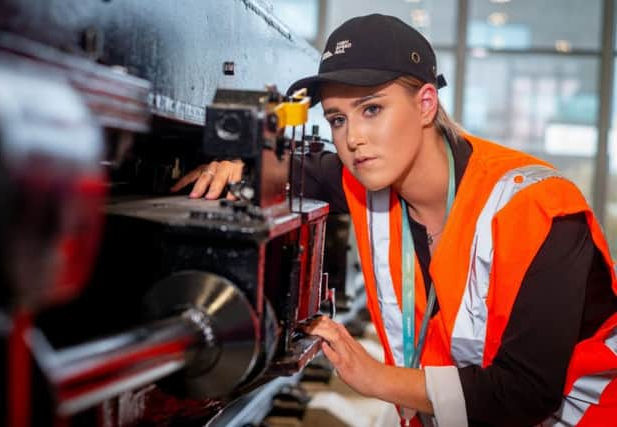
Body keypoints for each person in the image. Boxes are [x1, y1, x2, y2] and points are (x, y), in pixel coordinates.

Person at [172, 14, 617, 427]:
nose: (353, 139)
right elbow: (291, 169)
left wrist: (375, 378)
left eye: (372, 109)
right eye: (337, 119)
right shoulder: (365, 181)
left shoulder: (538, 209)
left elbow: (526, 393)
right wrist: (236, 164)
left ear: (426, 104)